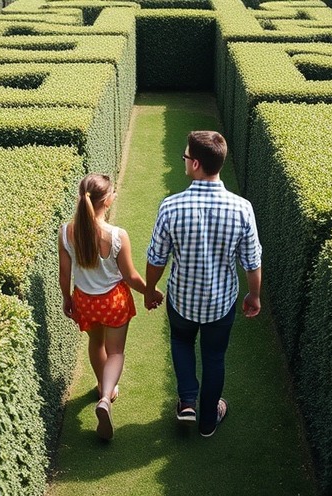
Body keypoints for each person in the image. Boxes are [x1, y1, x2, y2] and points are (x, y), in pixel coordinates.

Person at [144, 130, 262, 438]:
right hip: (220, 304)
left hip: (182, 300)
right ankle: (208, 420)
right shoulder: (242, 208)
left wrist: (150, 289)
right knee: (214, 357)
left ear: (195, 164)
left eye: (185, 157)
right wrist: (254, 296)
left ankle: (187, 403)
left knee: (181, 343)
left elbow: (157, 258)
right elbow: (252, 262)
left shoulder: (171, 206)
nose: (183, 160)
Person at [59, 173, 162, 440]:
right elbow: (130, 276)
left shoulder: (66, 232)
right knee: (115, 351)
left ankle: (101, 384)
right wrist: (149, 291)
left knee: (96, 343)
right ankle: (106, 396)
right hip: (113, 301)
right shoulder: (117, 235)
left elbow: (64, 275)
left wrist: (66, 299)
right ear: (108, 200)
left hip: (85, 300)